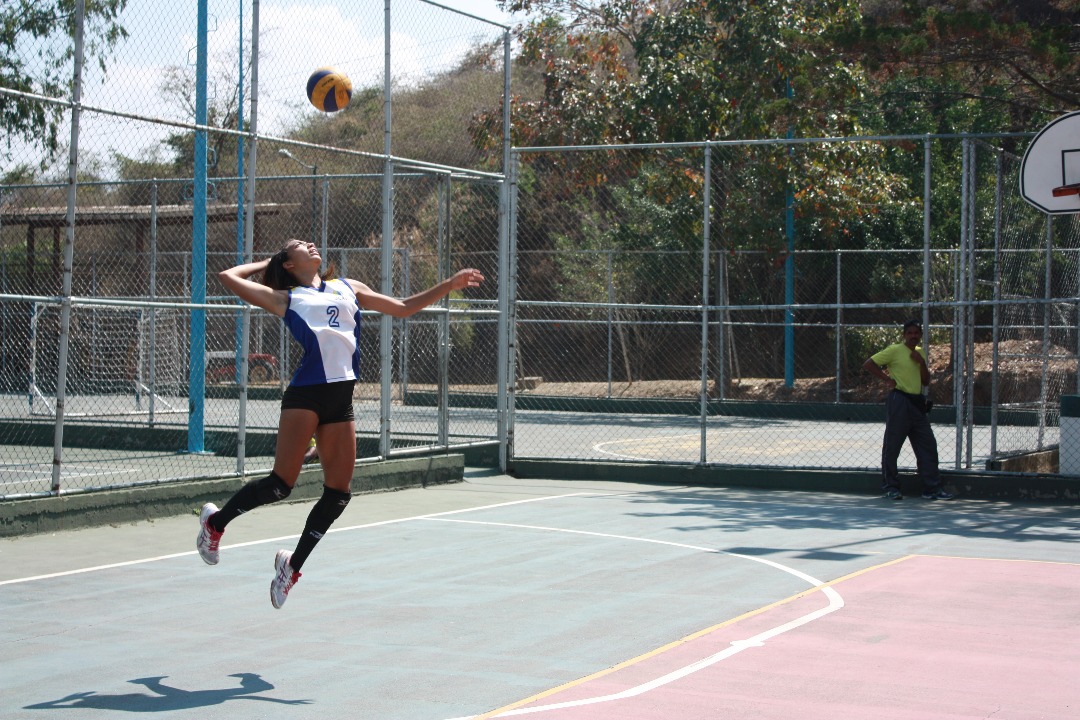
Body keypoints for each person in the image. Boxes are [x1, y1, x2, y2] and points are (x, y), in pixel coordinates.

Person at [196, 238, 484, 608]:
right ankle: (215, 525)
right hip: (306, 396)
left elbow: (403, 308)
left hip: (340, 400)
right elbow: (228, 276)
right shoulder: (285, 298)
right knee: (282, 484)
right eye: (299, 245)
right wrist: (269, 261)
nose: (311, 244)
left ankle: (291, 567)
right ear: (287, 263)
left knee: (339, 493)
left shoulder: (349, 287)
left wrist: (449, 284)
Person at [862, 318, 955, 501]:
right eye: (909, 333)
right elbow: (869, 364)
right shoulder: (895, 350)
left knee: (927, 445)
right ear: (904, 335)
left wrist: (921, 362)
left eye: (916, 333)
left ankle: (932, 488)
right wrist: (887, 379)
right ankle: (891, 487)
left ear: (920, 335)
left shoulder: (920, 352)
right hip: (899, 401)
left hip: (917, 403)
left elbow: (926, 381)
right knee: (893, 445)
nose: (913, 336)